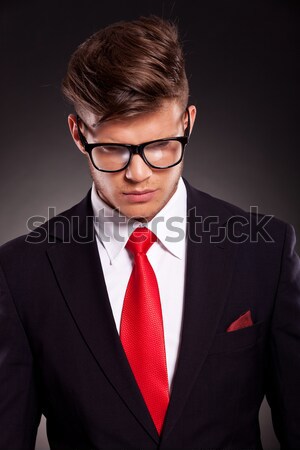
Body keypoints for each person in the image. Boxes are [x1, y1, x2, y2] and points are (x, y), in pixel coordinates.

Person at [0, 15, 299, 450]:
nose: (138, 173)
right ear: (78, 134)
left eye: (160, 146)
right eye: (114, 148)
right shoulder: (20, 272)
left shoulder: (266, 252)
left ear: (187, 124)